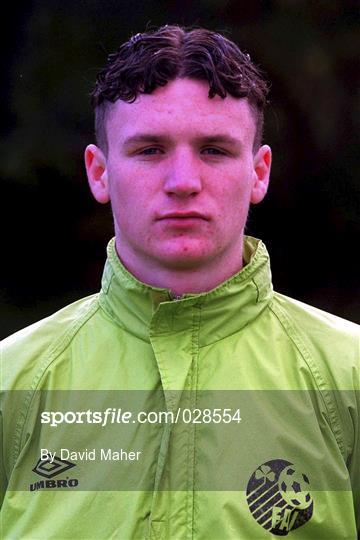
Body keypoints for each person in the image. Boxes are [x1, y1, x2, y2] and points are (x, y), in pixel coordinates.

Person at [0, 25, 358, 540]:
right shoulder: (13, 383)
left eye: (214, 150)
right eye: (149, 150)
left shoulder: (349, 379)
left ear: (259, 172)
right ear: (98, 172)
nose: (183, 181)